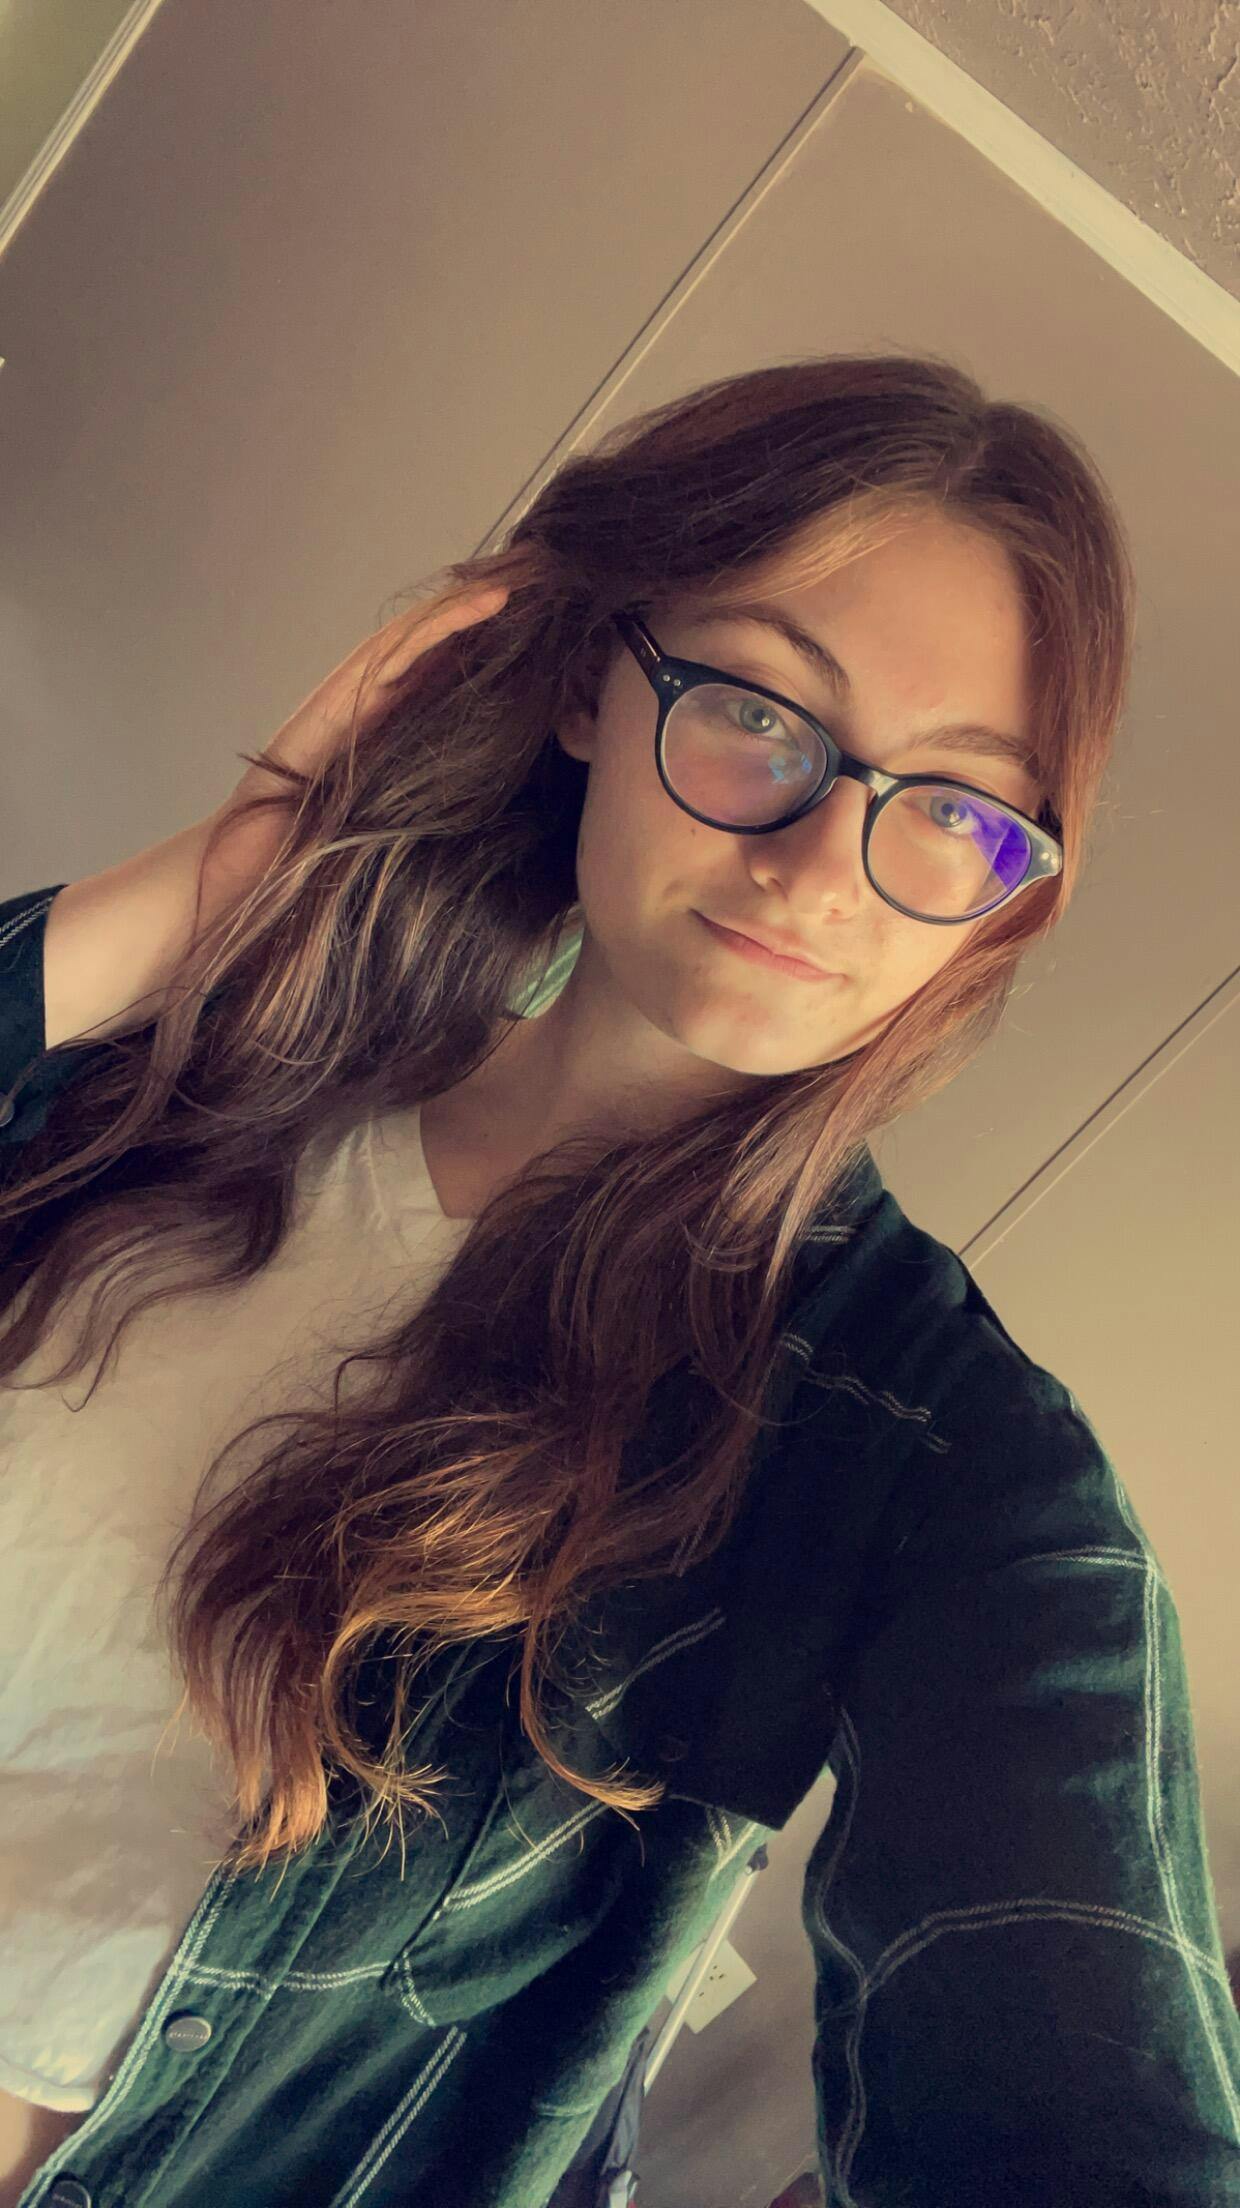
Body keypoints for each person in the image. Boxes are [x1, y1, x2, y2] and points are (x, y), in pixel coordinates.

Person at [0, 353, 1236, 2208]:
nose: (822, 866)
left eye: (955, 811)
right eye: (759, 711)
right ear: (588, 677)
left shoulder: (922, 1453)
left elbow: (1088, 2117)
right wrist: (226, 885)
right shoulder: (212, 1067)